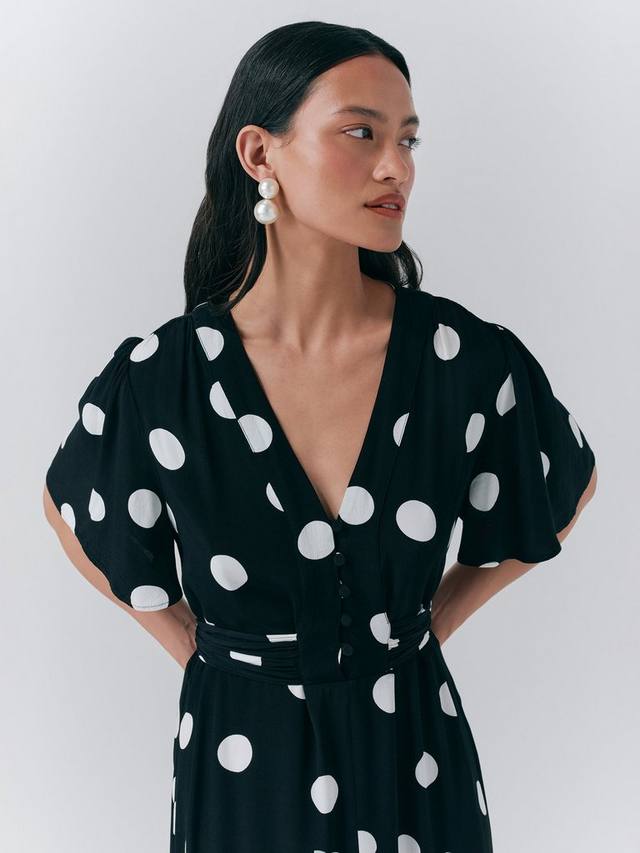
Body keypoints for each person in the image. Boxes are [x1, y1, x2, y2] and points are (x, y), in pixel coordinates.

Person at [43, 21, 597, 853]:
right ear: (259, 154)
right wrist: (195, 645)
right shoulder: (161, 379)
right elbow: (73, 512)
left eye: (408, 139)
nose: (396, 166)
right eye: (361, 133)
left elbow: (560, 486)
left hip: (415, 757)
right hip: (240, 766)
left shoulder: (464, 360)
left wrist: (431, 624)